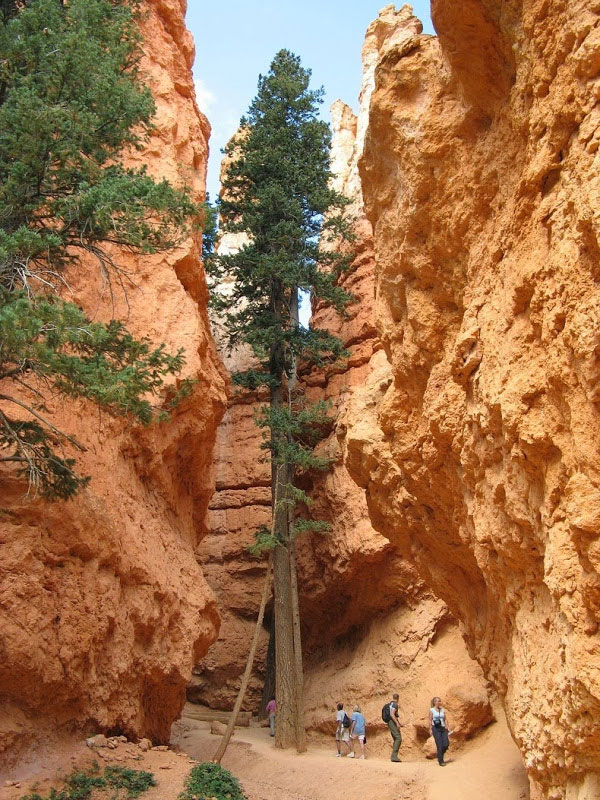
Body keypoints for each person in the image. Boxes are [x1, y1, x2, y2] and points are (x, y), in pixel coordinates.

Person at [429, 696, 451, 766]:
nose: (439, 702)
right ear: (435, 702)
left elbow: (445, 719)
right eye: (438, 701)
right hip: (435, 728)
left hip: (442, 728)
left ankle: (439, 755)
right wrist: (430, 729)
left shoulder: (442, 710)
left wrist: (447, 726)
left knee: (446, 744)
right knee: (439, 745)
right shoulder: (431, 710)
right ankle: (441, 761)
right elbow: (430, 719)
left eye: (440, 701)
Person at [387, 693, 403, 762]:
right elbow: (392, 714)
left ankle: (394, 756)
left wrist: (398, 723)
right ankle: (394, 756)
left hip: (390, 722)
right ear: (398, 698)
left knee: (395, 738)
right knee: (398, 738)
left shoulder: (390, 704)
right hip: (392, 722)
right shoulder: (395, 704)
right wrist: (397, 723)